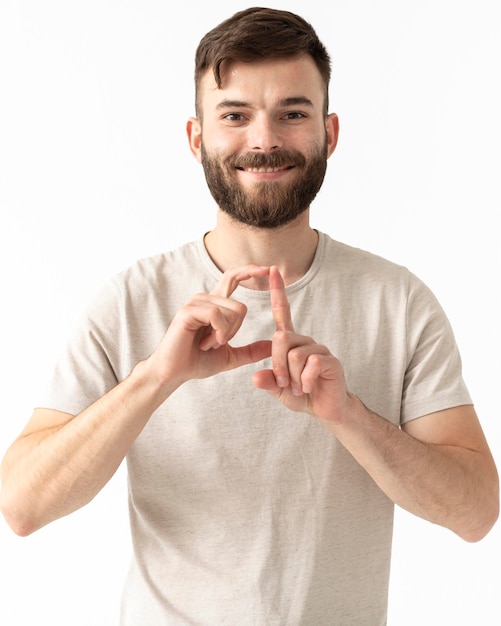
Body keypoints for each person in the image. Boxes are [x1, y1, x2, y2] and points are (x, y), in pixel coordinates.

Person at [0, 6, 498, 625]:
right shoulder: (129, 301)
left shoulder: (398, 302)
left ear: (330, 133)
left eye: (293, 113)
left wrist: (348, 416)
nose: (264, 141)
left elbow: (476, 512)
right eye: (235, 115)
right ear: (197, 137)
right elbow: (21, 505)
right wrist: (156, 378)